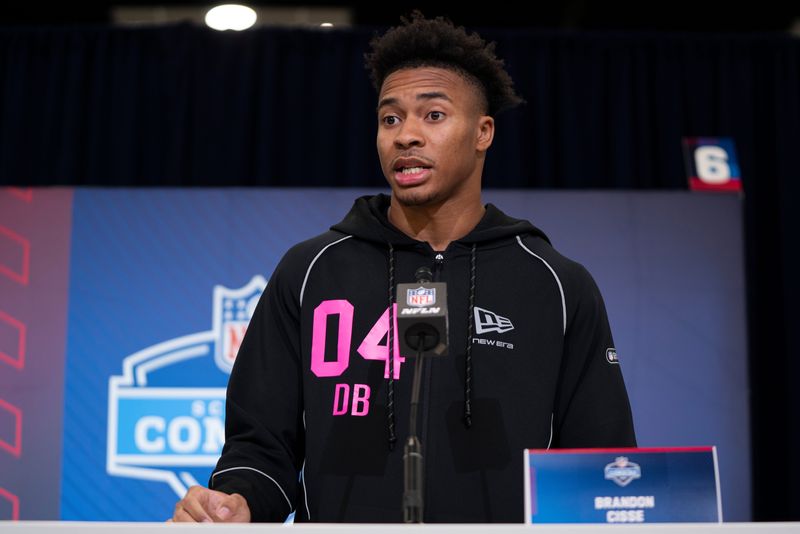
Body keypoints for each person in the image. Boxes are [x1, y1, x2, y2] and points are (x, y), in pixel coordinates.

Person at [171, 12, 636, 523]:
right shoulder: (310, 270)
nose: (405, 136)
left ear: (483, 132)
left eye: (433, 115)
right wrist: (239, 503)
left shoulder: (557, 284)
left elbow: (600, 464)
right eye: (390, 119)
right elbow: (259, 449)